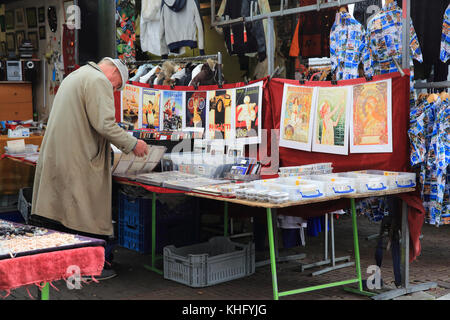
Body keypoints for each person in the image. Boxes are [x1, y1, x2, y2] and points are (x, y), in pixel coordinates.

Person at [30, 57, 149, 280]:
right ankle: (89, 266)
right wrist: (133, 144)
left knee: (61, 212)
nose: (114, 89)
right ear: (113, 72)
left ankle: (65, 265)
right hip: (79, 157)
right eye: (117, 85)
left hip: (61, 154)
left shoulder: (76, 75)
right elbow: (104, 123)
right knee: (86, 212)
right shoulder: (98, 80)